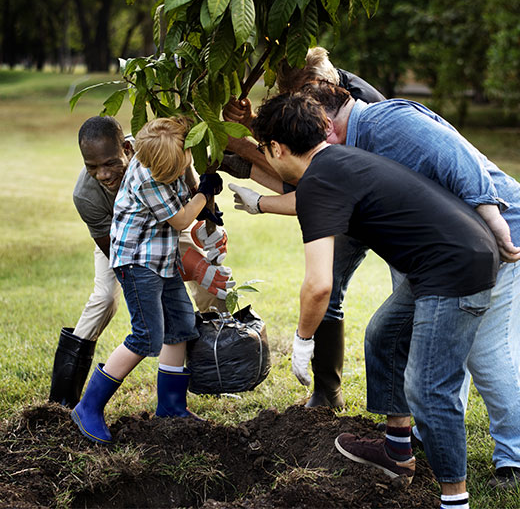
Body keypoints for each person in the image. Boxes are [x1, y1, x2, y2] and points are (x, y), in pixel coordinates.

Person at [250, 91, 499, 509]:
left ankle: (455, 500)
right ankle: (397, 453)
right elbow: (310, 201)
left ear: (275, 148)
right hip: (453, 255)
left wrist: (303, 339)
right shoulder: (335, 162)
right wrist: (257, 203)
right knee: (383, 335)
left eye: (263, 150)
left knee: (429, 390)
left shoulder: (321, 178)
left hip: (454, 270)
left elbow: (318, 285)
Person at [224, 47, 386, 409]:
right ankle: (327, 393)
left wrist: (245, 150)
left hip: (388, 211)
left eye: (299, 97)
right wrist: (252, 129)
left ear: (319, 85)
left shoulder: (354, 110)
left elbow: (312, 183)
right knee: (331, 290)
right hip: (351, 199)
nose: (298, 104)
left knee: (386, 316)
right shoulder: (319, 95)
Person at [50, 116, 234, 409]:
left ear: (127, 148)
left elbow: (185, 188)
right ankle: (68, 399)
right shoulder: (91, 194)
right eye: (92, 167)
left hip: (161, 234)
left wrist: (206, 220)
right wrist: (190, 265)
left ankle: (191, 392)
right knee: (111, 306)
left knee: (185, 316)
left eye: (110, 163)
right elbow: (122, 252)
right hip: (125, 247)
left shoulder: (157, 149)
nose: (103, 174)